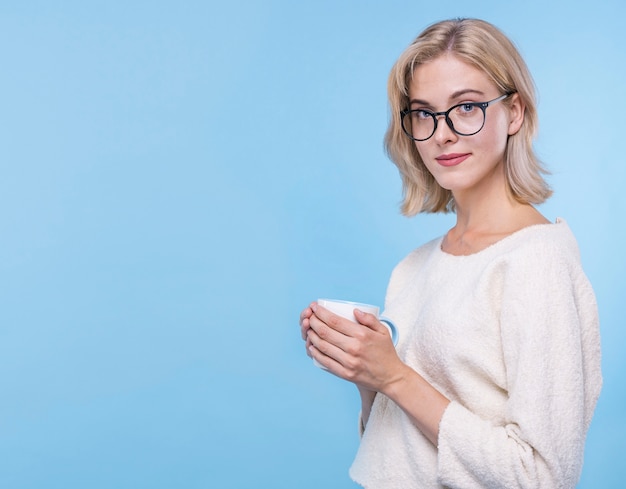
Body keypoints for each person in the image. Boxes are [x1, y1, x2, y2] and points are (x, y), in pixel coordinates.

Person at [299, 18, 602, 489]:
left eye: (466, 107)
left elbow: (542, 476)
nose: (441, 133)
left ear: (514, 112)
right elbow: (397, 457)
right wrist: (367, 376)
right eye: (423, 113)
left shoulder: (537, 262)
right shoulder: (415, 266)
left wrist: (396, 378)